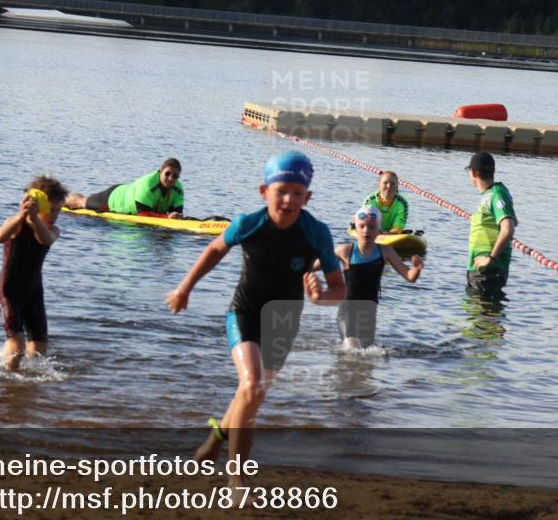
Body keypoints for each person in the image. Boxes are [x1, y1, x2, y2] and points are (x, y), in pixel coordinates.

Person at [166, 151, 345, 485]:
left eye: (297, 193)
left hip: (283, 323)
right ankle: (237, 480)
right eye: (281, 191)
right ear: (264, 192)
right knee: (252, 385)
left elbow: (340, 288)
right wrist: (184, 288)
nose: (288, 199)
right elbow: (215, 249)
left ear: (307, 197)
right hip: (245, 312)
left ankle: (215, 440)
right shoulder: (248, 223)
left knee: (252, 395)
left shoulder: (316, 233)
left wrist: (321, 297)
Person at [317, 205, 424, 349]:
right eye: (362, 226)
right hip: (347, 311)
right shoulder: (345, 251)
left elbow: (410, 277)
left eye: (371, 227)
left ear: (378, 231)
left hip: (369, 313)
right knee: (353, 349)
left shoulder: (385, 251)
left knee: (367, 354)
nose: (366, 230)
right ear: (355, 229)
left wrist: (416, 269)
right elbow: (312, 266)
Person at [0, 176, 67, 370]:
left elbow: (45, 240)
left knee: (39, 348)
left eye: (59, 210)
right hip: (9, 291)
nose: (56, 215)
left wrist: (35, 219)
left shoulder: (53, 230)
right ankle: (8, 377)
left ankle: (27, 379)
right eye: (52, 210)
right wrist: (21, 216)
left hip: (34, 293)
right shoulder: (16, 224)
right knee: (17, 346)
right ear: (39, 205)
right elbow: (0, 237)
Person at [464, 152, 517, 297]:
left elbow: (508, 228)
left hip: (488, 272)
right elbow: (514, 220)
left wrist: (490, 258)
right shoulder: (493, 194)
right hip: (480, 269)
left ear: (474, 173)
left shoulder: (496, 194)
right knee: (473, 309)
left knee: (483, 310)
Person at [65, 158, 184, 219]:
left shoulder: (178, 190)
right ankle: (60, 197)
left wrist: (176, 216)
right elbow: (142, 213)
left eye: (175, 176)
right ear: (160, 171)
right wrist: (167, 217)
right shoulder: (148, 184)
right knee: (82, 202)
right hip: (115, 198)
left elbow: (177, 213)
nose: (170, 178)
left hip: (127, 192)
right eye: (167, 174)